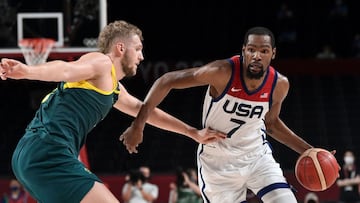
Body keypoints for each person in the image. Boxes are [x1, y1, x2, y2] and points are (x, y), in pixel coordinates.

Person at [0, 20, 225, 203]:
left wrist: (192, 132)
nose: (141, 57)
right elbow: (66, 69)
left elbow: (145, 111)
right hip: (47, 151)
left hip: (33, 153)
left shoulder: (114, 89)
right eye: (138, 49)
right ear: (120, 48)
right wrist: (28, 71)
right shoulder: (101, 62)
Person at [120, 26, 334, 203]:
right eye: (251, 50)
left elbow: (272, 124)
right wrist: (139, 124)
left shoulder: (279, 85)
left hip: (256, 157)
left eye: (264, 51)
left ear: (273, 53)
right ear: (243, 50)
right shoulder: (222, 72)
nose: (256, 56)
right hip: (217, 162)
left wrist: (312, 151)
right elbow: (166, 81)